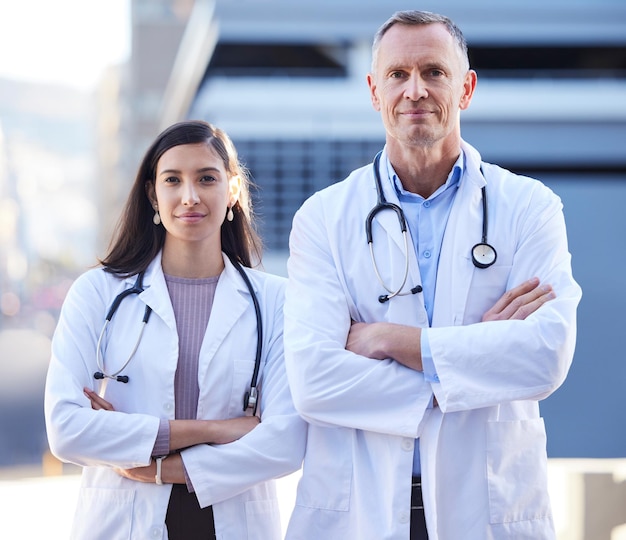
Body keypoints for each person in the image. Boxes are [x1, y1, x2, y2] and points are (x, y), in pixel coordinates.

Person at [283, 10, 581, 540]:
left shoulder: (529, 207)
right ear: (375, 91)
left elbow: (544, 356)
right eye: (398, 75)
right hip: (361, 512)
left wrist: (390, 340)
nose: (414, 90)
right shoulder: (324, 218)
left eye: (433, 73)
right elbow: (313, 382)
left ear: (465, 88)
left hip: (487, 511)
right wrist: (473, 355)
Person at [44, 120, 306, 540]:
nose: (190, 196)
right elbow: (66, 430)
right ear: (154, 194)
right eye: (172, 180)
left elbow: (285, 441)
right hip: (122, 522)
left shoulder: (277, 301)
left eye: (207, 178)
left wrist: (158, 465)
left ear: (233, 190)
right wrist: (217, 429)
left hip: (234, 521)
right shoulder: (97, 293)